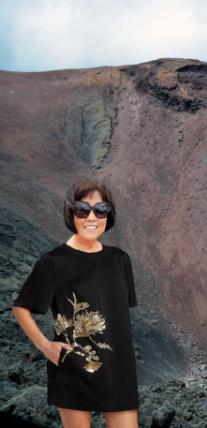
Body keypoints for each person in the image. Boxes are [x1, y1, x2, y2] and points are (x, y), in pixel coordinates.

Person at [12, 176, 139, 428]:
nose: (91, 217)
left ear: (108, 215)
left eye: (100, 210)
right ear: (71, 213)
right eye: (82, 209)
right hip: (73, 370)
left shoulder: (120, 260)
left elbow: (119, 318)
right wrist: (46, 347)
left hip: (119, 373)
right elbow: (21, 308)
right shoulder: (53, 262)